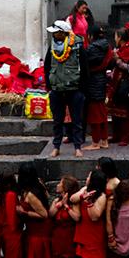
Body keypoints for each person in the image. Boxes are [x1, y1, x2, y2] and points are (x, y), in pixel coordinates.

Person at [44, 19, 87, 157]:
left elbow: (85, 67)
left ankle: (78, 147)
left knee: (77, 120)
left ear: (63, 33)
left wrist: (82, 89)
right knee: (57, 121)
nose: (54, 35)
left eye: (56, 33)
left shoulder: (77, 46)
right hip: (56, 89)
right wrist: (49, 85)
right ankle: (56, 146)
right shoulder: (52, 47)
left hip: (74, 89)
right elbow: (47, 66)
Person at [72, 169, 109, 258]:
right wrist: (83, 196)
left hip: (94, 235)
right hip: (83, 232)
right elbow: (72, 199)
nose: (86, 177)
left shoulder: (102, 197)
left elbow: (95, 216)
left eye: (88, 176)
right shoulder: (84, 189)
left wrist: (89, 203)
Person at [17, 164, 51, 258]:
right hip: (31, 231)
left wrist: (24, 213)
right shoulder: (34, 186)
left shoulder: (31, 194)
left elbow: (44, 214)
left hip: (40, 232)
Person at [108, 28, 129, 146]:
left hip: (127, 86)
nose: (115, 39)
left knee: (127, 113)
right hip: (117, 86)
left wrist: (117, 59)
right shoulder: (120, 50)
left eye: (116, 36)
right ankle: (116, 135)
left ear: (121, 38)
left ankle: (125, 137)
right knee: (115, 112)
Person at [83, 25, 114, 150]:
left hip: (93, 82)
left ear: (91, 35)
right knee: (102, 113)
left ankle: (96, 142)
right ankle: (104, 140)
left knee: (95, 115)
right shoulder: (106, 46)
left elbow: (86, 65)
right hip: (101, 81)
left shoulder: (92, 48)